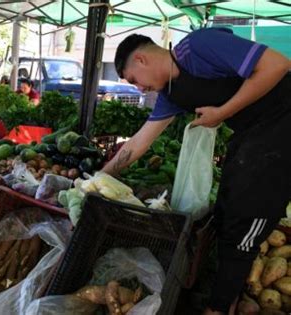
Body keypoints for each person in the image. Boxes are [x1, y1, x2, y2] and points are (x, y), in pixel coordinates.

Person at [103, 28, 290, 315]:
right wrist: (99, 177)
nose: (138, 89)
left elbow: (277, 64)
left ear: (141, 59)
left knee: (246, 216)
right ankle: (228, 297)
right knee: (225, 210)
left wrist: (223, 112)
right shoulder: (171, 93)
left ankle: (218, 307)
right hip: (252, 132)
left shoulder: (198, 46)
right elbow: (139, 142)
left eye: (133, 80)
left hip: (283, 124)